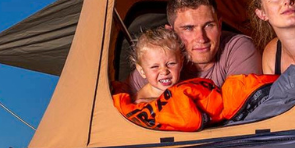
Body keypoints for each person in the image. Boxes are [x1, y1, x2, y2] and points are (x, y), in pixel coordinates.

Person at [114, 26, 276, 132]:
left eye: (171, 63)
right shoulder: (137, 103)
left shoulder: (188, 89)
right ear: (141, 71)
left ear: (181, 63)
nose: (164, 71)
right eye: (155, 67)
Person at [125, 0, 260, 93]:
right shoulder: (158, 61)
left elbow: (244, 114)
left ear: (219, 26)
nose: (201, 38)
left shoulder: (238, 49)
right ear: (171, 33)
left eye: (208, 25)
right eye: (189, 28)